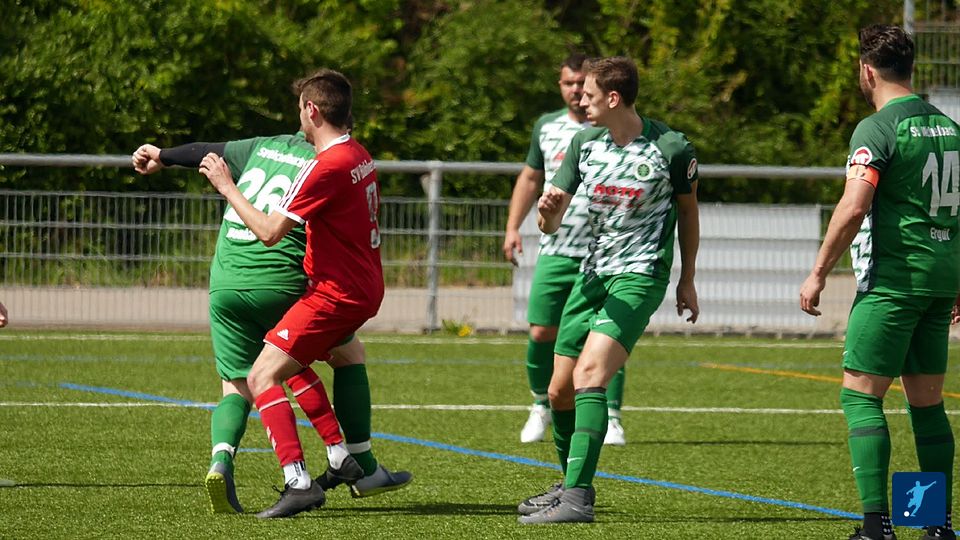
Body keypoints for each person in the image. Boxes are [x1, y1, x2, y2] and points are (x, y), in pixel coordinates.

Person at [199, 68, 411, 519]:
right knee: (339, 358)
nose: (299, 117)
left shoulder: (325, 167)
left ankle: (298, 483)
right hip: (359, 286)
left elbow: (269, 231)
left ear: (312, 110)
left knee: (261, 376)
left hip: (334, 295)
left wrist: (227, 186)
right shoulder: (358, 154)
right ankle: (354, 462)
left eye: (300, 109)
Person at [132, 131, 363, 514]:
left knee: (237, 384)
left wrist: (163, 155)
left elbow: (203, 151)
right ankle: (338, 456)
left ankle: (221, 459)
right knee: (306, 363)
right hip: (281, 278)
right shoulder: (328, 160)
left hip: (227, 282)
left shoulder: (261, 147)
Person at [518, 56, 700, 524]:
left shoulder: (671, 147)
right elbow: (550, 222)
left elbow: (688, 212)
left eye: (590, 94)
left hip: (640, 276)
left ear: (613, 98)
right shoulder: (585, 143)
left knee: (590, 375)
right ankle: (570, 483)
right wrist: (547, 213)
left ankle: (577, 499)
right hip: (592, 275)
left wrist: (687, 278)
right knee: (559, 392)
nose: (581, 100)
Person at [799, 24, 960, 540]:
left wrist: (818, 272)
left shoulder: (877, 129)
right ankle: (934, 524)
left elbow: (853, 207)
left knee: (861, 397)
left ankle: (876, 525)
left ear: (867, 71)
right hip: (940, 281)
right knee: (926, 404)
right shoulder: (950, 128)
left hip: (893, 281)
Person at [503, 52, 630, 446]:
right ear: (560, 86)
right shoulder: (547, 127)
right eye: (568, 83)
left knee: (606, 331)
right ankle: (541, 404)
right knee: (542, 329)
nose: (576, 90)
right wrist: (512, 227)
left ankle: (610, 414)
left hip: (604, 252)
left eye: (581, 84)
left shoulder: (614, 129)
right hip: (556, 247)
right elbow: (530, 177)